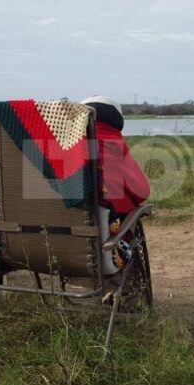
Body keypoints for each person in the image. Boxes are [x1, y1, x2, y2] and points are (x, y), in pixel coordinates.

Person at [80, 95, 150, 273]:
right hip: (104, 248)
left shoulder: (59, 148)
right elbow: (141, 191)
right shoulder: (110, 144)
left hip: (50, 248)